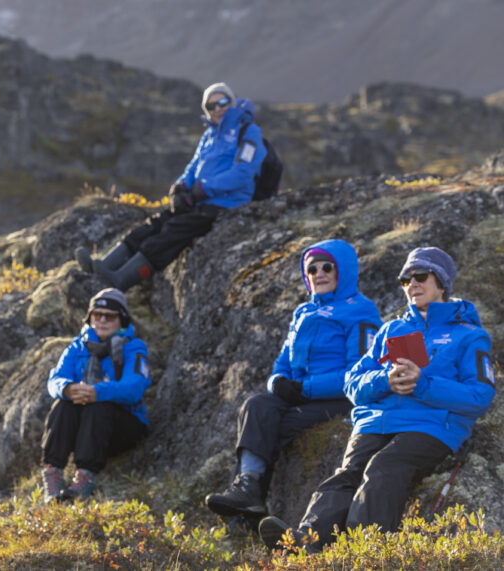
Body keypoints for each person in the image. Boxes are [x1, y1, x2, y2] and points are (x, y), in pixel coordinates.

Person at [258, 247, 495, 553]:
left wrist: (422, 385)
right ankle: (307, 542)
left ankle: (364, 553)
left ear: (442, 283)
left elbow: (480, 396)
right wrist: (384, 380)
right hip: (376, 422)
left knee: (384, 466)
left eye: (421, 276)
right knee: (345, 475)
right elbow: (353, 383)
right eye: (405, 279)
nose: (412, 284)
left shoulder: (469, 335)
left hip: (432, 425)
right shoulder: (391, 330)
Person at [204, 239, 381, 524]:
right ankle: (247, 487)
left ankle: (247, 512)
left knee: (274, 426)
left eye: (327, 267)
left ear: (343, 271)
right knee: (256, 406)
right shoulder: (303, 312)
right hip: (298, 395)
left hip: (338, 398)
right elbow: (282, 364)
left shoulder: (362, 311)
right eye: (311, 269)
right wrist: (278, 384)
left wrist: (306, 388)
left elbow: (359, 372)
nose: (318, 274)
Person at [75, 82, 267, 291]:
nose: (218, 109)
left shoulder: (249, 131)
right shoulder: (209, 135)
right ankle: (102, 267)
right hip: (199, 200)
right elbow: (193, 166)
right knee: (152, 225)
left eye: (222, 102)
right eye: (211, 106)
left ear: (232, 102)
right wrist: (180, 186)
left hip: (225, 204)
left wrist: (202, 189)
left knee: (172, 233)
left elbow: (243, 173)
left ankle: (120, 280)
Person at [41, 288, 151, 502]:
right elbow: (54, 380)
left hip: (122, 427)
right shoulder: (77, 346)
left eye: (109, 316)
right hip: (84, 429)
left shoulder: (135, 348)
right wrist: (68, 388)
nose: (101, 320)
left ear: (122, 319)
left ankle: (85, 477)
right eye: (96, 315)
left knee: (98, 404)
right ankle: (53, 473)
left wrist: (96, 392)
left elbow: (135, 387)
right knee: (63, 404)